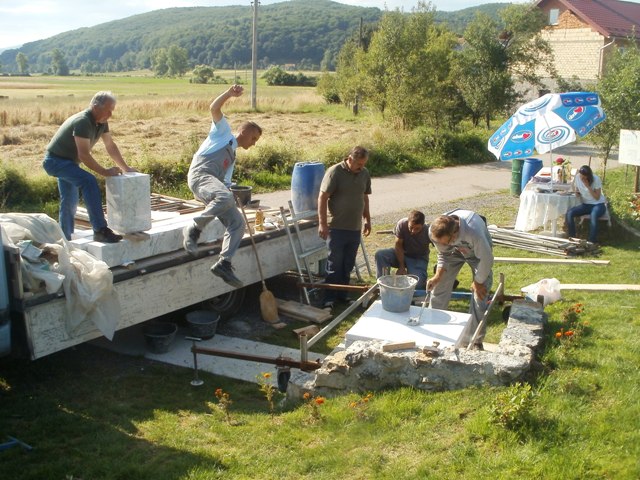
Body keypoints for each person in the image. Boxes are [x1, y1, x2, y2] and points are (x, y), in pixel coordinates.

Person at [182, 84, 262, 288]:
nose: (254, 143)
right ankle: (193, 228)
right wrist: (228, 94)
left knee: (237, 223)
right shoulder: (222, 133)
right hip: (200, 175)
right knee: (224, 197)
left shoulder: (232, 157)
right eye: (253, 138)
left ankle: (224, 263)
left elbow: (225, 185)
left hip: (213, 185)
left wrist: (233, 194)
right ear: (243, 131)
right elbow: (213, 109)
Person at [42, 91, 136, 243]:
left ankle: (65, 239)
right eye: (108, 110)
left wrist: (126, 168)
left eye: (112, 110)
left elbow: (110, 145)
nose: (110, 114)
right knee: (89, 181)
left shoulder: (102, 122)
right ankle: (100, 230)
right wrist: (105, 172)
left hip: (69, 163)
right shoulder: (83, 122)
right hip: (55, 162)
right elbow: (84, 155)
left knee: (69, 201)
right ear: (95, 107)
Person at [427, 209, 493, 349]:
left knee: (479, 294)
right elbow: (443, 254)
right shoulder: (434, 233)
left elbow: (486, 259)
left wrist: (478, 281)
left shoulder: (473, 231)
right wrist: (437, 276)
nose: (443, 244)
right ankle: (434, 331)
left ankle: (473, 341)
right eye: (442, 243)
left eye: (447, 241)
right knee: (439, 286)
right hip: (453, 253)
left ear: (455, 233)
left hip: (477, 255)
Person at [318, 146, 372, 309]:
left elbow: (365, 197)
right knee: (334, 264)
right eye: (358, 164)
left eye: (363, 164)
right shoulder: (334, 172)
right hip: (337, 228)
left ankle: (343, 294)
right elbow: (322, 197)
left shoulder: (364, 173)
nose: (361, 167)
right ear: (350, 159)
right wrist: (322, 223)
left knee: (348, 264)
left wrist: (367, 219)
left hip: (354, 228)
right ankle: (329, 298)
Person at [374, 210, 430, 290]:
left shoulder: (428, 230)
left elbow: (440, 248)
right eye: (411, 227)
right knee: (381, 254)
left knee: (417, 286)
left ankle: (423, 281)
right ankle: (383, 285)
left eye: (417, 229)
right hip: (401, 253)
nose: (413, 231)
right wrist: (401, 266)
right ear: (408, 222)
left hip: (418, 258)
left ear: (423, 225)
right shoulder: (402, 224)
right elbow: (398, 244)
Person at [565, 165, 607, 244]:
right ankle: (572, 238)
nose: (582, 179)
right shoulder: (577, 177)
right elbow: (577, 189)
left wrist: (588, 186)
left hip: (598, 204)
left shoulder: (596, 179)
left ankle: (591, 241)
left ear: (588, 176)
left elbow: (597, 197)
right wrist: (577, 193)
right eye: (581, 176)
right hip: (586, 205)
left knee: (593, 215)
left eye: (584, 177)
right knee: (570, 213)